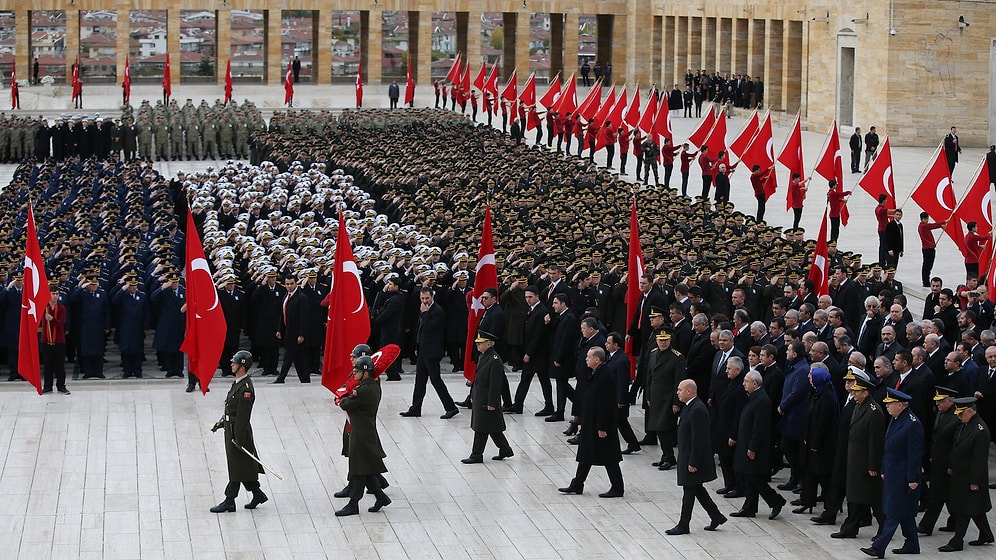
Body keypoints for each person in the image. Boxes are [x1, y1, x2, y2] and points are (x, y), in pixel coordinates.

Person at [861, 388, 924, 558]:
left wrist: (913, 478)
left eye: (889, 404)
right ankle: (912, 544)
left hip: (903, 476)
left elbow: (914, 455)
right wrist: (883, 469)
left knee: (894, 512)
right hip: (892, 472)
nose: (887, 407)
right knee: (906, 513)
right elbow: (889, 448)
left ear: (899, 405)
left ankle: (878, 547)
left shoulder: (912, 424)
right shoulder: (896, 419)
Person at [558, 347, 625, 498]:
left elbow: (605, 405)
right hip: (591, 422)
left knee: (609, 457)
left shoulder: (605, 376)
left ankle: (618, 487)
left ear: (597, 360)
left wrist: (602, 427)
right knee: (586, 455)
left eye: (589, 357)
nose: (586, 359)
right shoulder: (595, 373)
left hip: (600, 425)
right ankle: (577, 484)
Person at [209, 350, 268, 513]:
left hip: (238, 433)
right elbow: (231, 408)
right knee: (242, 465)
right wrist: (221, 423)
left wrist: (238, 439)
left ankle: (229, 500)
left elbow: (243, 416)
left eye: (234, 362)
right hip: (231, 430)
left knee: (236, 467)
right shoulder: (238, 383)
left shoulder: (246, 389)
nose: (231, 364)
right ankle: (257, 493)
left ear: (242, 366)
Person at [666, 379, 727, 534]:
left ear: (689, 391)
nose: (677, 392)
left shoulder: (697, 409)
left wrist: (693, 462)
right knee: (696, 489)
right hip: (687, 456)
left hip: (693, 459)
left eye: (680, 390)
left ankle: (683, 524)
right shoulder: (689, 406)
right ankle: (716, 516)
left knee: (689, 491)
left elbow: (698, 439)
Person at [335, 355, 392, 516]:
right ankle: (381, 497)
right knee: (365, 468)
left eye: (357, 371)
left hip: (361, 433)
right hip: (364, 431)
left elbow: (345, 403)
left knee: (359, 468)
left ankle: (353, 503)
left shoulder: (364, 390)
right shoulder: (371, 385)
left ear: (365, 373)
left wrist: (345, 396)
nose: (354, 373)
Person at [832, 375, 885, 539]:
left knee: (873, 500)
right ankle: (850, 527)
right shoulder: (859, 406)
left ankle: (884, 529)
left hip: (865, 463)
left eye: (857, 391)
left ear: (866, 392)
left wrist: (873, 466)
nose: (853, 394)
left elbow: (875, 441)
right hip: (855, 460)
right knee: (854, 497)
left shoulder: (874, 411)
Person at [938, 397, 994, 551]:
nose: (958, 416)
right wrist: (951, 466)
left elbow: (979, 459)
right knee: (976, 508)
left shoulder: (980, 430)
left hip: (971, 477)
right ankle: (986, 534)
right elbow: (957, 448)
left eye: (961, 413)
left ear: (970, 412)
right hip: (960, 474)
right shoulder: (966, 425)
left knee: (965, 509)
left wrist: (975, 481)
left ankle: (957, 541)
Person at [731, 370, 786, 519]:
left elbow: (759, 427)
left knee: (755, 478)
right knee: (750, 477)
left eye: (746, 381)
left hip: (755, 446)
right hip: (747, 443)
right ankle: (749, 507)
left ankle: (775, 500)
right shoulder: (754, 397)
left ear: (755, 383)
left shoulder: (762, 400)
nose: (743, 384)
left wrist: (752, 447)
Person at [401, 288, 459, 419]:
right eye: (422, 298)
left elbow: (431, 327)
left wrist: (425, 313)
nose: (424, 301)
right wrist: (417, 346)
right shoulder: (423, 309)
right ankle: (415, 408)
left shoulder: (437, 310)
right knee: (420, 381)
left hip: (433, 352)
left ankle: (451, 407)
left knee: (435, 380)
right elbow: (421, 330)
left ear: (432, 297)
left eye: (427, 298)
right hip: (423, 350)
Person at [461, 331, 514, 463]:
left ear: (489, 344)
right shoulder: (484, 357)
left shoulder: (494, 360)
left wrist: (492, 403)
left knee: (481, 428)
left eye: (480, 343)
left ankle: (476, 455)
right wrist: (473, 395)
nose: (477, 345)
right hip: (480, 397)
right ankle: (505, 449)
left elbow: (496, 385)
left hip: (487, 400)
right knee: (492, 428)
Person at [917, 385, 960, 536]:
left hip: (947, 463)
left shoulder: (956, 418)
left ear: (950, 401)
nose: (937, 404)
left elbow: (956, 445)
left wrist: (951, 465)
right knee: (944, 495)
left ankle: (926, 525)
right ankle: (954, 521)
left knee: (938, 495)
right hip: (937, 461)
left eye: (941, 401)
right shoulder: (941, 414)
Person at [645, 330, 684, 470]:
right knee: (657, 428)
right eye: (660, 340)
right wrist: (648, 396)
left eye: (665, 340)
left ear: (670, 340)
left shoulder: (677, 357)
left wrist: (677, 402)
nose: (663, 343)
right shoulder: (653, 353)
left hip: (668, 398)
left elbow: (678, 382)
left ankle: (669, 457)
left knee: (665, 429)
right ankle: (665, 455)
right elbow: (649, 377)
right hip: (656, 396)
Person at [273, 275, 311, 384]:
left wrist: (302, 334)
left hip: (296, 334)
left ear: (296, 284)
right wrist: (279, 329)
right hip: (288, 332)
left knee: (288, 357)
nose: (289, 286)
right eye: (287, 284)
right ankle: (305, 379)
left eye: (291, 284)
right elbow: (283, 313)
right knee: (299, 359)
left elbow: (304, 318)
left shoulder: (301, 298)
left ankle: (281, 378)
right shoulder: (286, 296)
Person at [40, 287, 70, 394]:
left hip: (59, 340)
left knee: (60, 366)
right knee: (47, 365)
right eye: (53, 293)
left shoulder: (61, 308)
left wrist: (52, 319)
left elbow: (61, 324)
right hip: (46, 340)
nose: (55, 296)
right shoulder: (44, 308)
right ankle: (47, 386)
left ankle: (61, 385)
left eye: (57, 293)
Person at [919, 213, 947, 287]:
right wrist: (944, 222)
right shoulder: (924, 226)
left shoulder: (922, 226)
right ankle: (925, 281)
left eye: (927, 218)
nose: (927, 220)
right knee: (928, 266)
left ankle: (925, 280)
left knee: (926, 265)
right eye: (925, 219)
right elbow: (934, 225)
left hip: (927, 248)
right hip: (928, 248)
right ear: (922, 219)